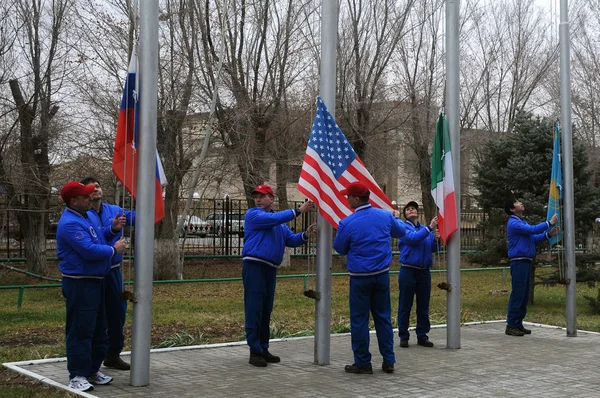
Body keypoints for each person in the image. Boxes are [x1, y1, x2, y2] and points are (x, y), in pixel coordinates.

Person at [56, 181, 127, 392]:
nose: (91, 198)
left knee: (98, 328)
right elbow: (88, 249)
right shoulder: (70, 223)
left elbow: (99, 237)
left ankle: (93, 370)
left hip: (97, 281)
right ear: (74, 200)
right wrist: (114, 251)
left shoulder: (89, 215)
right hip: (80, 282)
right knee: (81, 329)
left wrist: (113, 229)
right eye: (86, 196)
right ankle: (77, 375)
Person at [332, 182, 406, 375]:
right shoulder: (384, 216)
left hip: (359, 278)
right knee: (383, 318)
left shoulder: (347, 223)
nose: (347, 199)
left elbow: (339, 248)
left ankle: (363, 363)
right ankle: (388, 360)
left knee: (359, 320)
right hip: (381, 276)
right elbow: (401, 232)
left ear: (356, 199)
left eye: (348, 196)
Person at [242, 184, 315, 367]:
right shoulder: (253, 214)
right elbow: (272, 219)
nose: (258, 199)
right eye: (256, 196)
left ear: (271, 199)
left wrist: (306, 234)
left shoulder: (278, 223)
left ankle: (263, 348)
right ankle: (254, 350)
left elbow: (291, 240)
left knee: (266, 309)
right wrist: (298, 211)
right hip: (254, 265)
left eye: (263, 195)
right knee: (255, 308)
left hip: (270, 268)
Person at [81, 177, 134, 370]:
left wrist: (152, 200)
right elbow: (97, 239)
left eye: (98, 185)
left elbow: (140, 216)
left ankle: (113, 355)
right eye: (91, 187)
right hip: (93, 274)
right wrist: (112, 232)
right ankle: (92, 359)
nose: (96, 189)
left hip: (113, 273)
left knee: (117, 312)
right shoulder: (82, 214)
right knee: (96, 316)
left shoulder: (114, 210)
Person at [504, 199, 559, 336]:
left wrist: (548, 234)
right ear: (512, 209)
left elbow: (533, 238)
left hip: (526, 260)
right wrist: (549, 223)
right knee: (518, 293)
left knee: (524, 294)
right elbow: (532, 230)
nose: (521, 203)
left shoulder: (521, 222)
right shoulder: (514, 223)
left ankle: (518, 323)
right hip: (519, 261)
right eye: (516, 202)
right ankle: (511, 324)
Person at [397, 201, 439, 348]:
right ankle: (403, 335)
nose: (411, 210)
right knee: (405, 304)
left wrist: (436, 239)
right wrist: (430, 228)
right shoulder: (403, 228)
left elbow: (432, 248)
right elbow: (413, 239)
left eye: (413, 208)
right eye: (408, 209)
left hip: (424, 271)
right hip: (408, 270)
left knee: (423, 305)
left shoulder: (423, 229)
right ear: (405, 214)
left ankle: (422, 335)